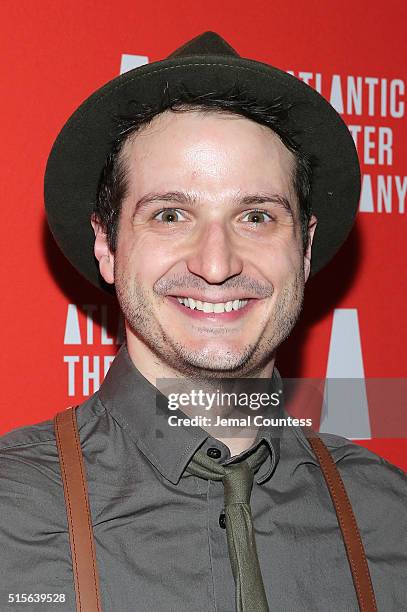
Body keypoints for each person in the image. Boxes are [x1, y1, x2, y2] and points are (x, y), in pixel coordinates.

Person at [0, 31, 406, 612]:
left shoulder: (388, 517)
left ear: (305, 248)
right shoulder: (10, 517)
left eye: (257, 216)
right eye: (170, 214)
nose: (216, 264)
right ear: (107, 246)